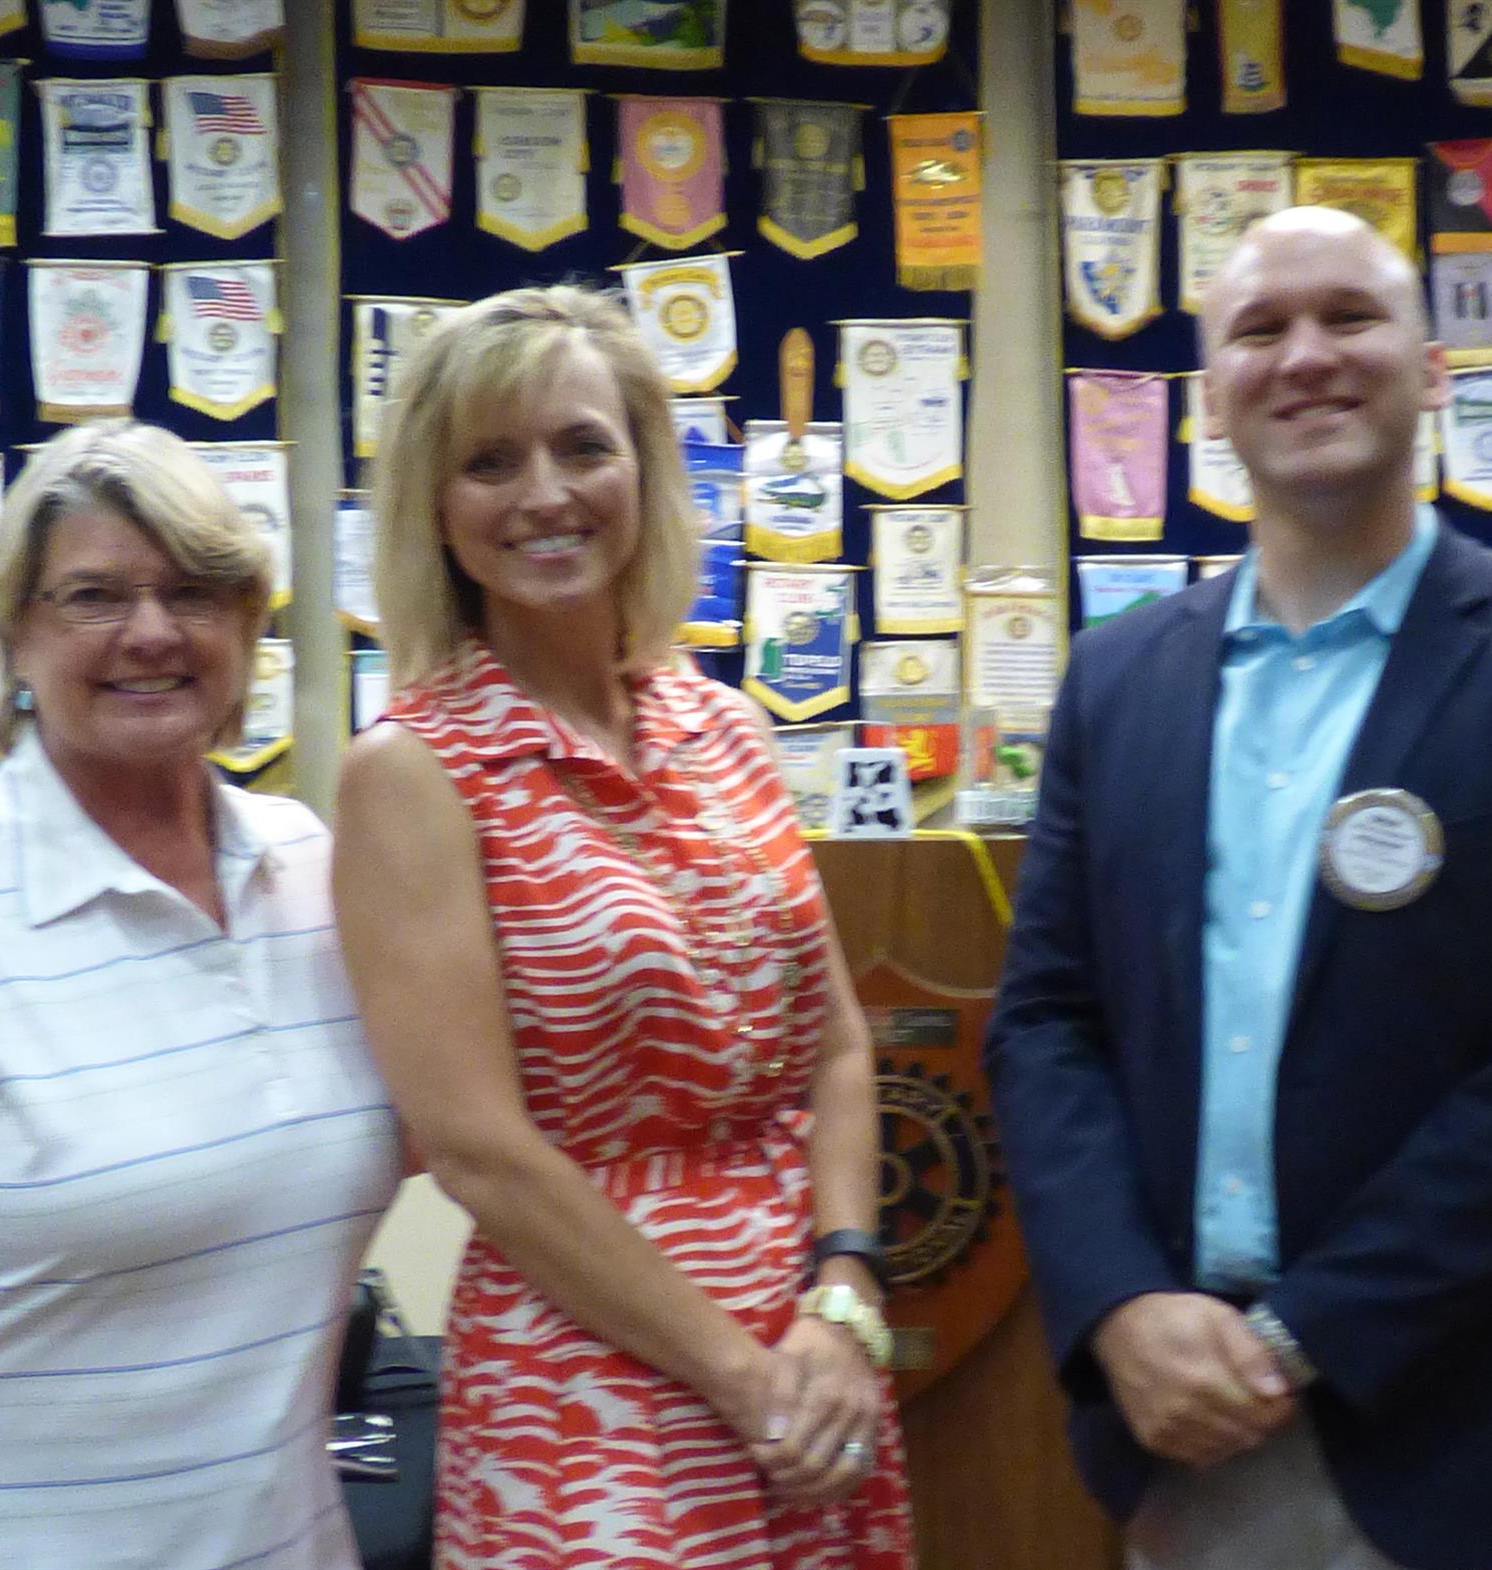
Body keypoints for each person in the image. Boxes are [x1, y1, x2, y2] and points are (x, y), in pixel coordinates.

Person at [985, 206, 1492, 1570]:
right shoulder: (1116, 679)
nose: (1306, 354)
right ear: (1212, 398)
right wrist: (1121, 1304)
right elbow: (1044, 1025)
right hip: (1190, 1441)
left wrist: (1299, 1334)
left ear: (1433, 371)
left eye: (1350, 316)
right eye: (1260, 329)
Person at [0, 420, 402, 1570]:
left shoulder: (310, 869)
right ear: (16, 632)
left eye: (193, 591)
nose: (151, 631)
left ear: (246, 623)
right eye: (94, 596)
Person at [332, 284, 913, 1570]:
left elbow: (835, 1049)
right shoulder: (411, 774)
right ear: (436, 507)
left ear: (646, 469)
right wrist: (741, 1376)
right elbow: (480, 1153)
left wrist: (845, 1294)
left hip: (811, 1365)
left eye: (583, 446)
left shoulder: (728, 729)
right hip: (592, 1390)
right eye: (491, 462)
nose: (545, 494)